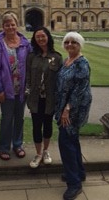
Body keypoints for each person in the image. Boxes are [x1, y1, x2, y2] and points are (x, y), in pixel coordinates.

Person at [55, 32, 92, 200]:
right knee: (72, 140)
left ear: (80, 44)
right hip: (66, 106)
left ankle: (74, 183)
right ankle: (79, 172)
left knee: (65, 143)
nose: (70, 45)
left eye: (74, 42)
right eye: (67, 42)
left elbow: (79, 90)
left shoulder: (82, 64)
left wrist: (67, 109)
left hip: (74, 108)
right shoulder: (67, 60)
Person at [0, 13, 31, 160]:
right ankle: (4, 147)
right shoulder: (0, 44)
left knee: (19, 118)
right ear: (3, 27)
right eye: (7, 25)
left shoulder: (25, 43)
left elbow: (31, 64)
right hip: (6, 90)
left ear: (17, 25)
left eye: (12, 24)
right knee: (7, 118)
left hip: (22, 89)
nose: (10, 27)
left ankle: (18, 144)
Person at [26, 27, 63, 168]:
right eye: (37, 37)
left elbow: (59, 81)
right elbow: (28, 77)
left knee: (47, 125)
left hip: (49, 99)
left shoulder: (57, 57)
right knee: (36, 126)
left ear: (48, 37)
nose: (40, 39)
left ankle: (46, 151)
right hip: (35, 98)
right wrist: (28, 93)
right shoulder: (31, 56)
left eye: (43, 36)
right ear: (35, 40)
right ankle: (38, 154)